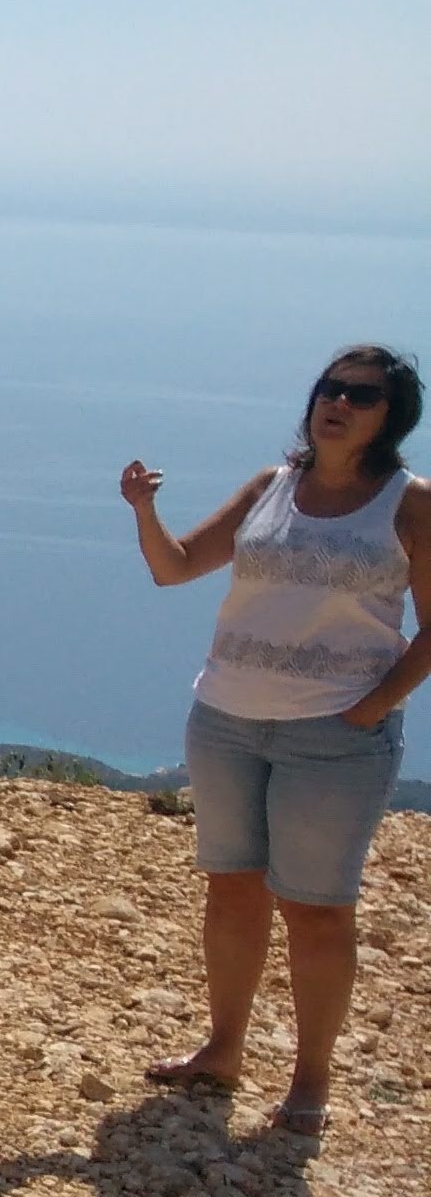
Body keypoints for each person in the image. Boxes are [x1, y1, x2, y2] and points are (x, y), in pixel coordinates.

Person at [121, 345, 431, 1136]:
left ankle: (310, 1081)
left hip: (334, 738)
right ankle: (222, 1050)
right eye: (331, 388)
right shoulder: (271, 487)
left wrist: (371, 708)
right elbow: (176, 568)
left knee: (317, 910)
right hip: (226, 719)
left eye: (361, 395)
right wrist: (144, 511)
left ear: (391, 417)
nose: (339, 403)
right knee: (232, 890)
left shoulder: (410, 505)